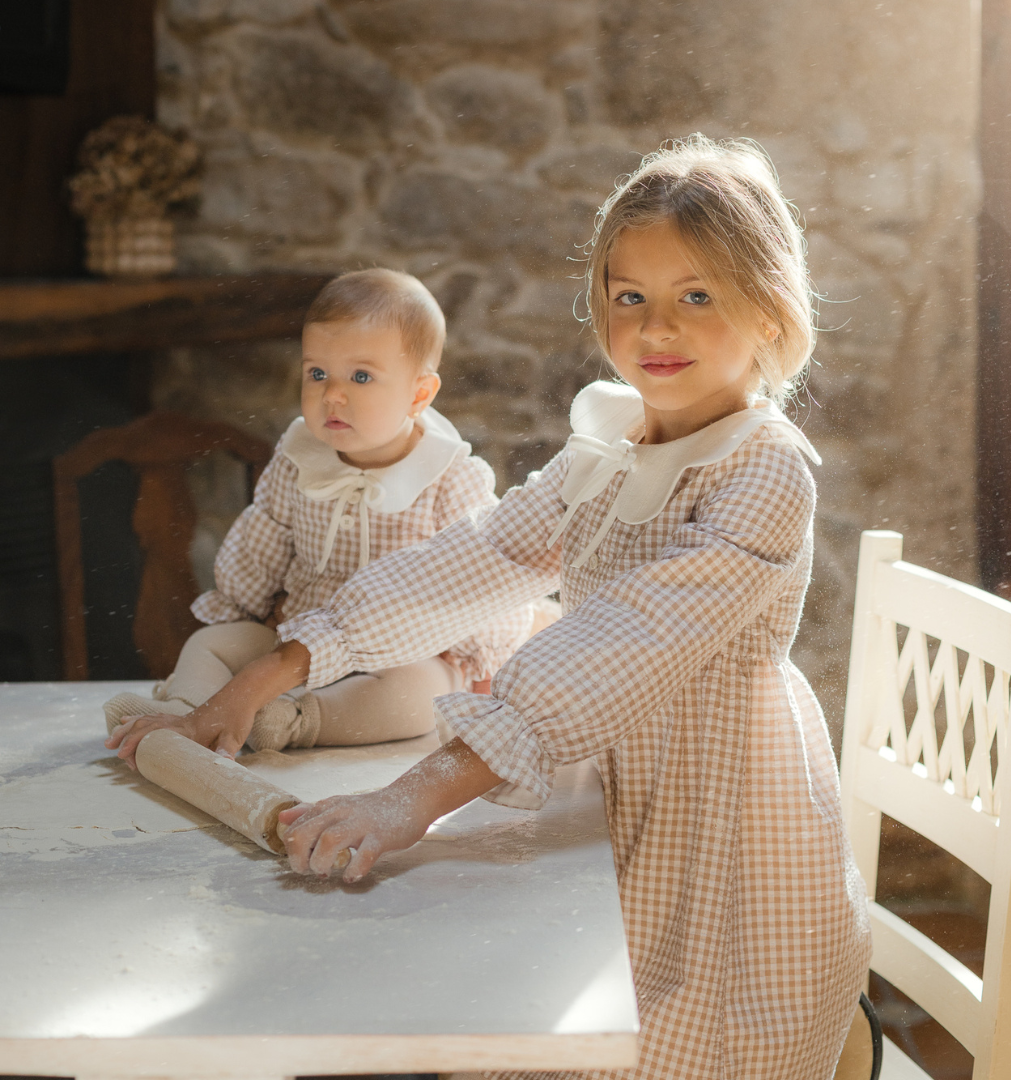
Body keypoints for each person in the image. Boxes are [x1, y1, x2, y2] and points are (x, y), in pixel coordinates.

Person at [110, 135, 871, 1079]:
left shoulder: (764, 471)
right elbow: (477, 558)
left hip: (710, 808)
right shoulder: (611, 444)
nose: (655, 328)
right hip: (604, 765)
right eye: (630, 297)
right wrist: (274, 669)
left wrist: (409, 799)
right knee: (475, 980)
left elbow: (615, 645)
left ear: (768, 312)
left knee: (655, 1037)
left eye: (697, 296)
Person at [105, 268, 533, 758]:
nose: (333, 394)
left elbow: (479, 581)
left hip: (399, 652)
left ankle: (292, 721)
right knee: (211, 643)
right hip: (297, 635)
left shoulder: (451, 477)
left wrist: (475, 658)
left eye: (361, 376)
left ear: (419, 394)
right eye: (317, 373)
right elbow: (262, 538)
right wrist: (246, 611)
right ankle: (186, 710)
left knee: (421, 694)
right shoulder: (299, 458)